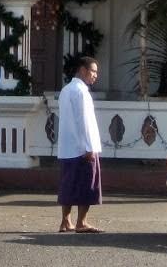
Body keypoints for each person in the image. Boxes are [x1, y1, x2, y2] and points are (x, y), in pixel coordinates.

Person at [57, 54, 103, 234]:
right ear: (83, 70)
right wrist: (89, 146)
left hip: (67, 147)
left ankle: (65, 221)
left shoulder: (66, 90)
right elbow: (84, 121)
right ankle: (81, 222)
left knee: (68, 184)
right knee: (87, 185)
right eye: (93, 71)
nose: (95, 75)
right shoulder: (81, 92)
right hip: (83, 148)